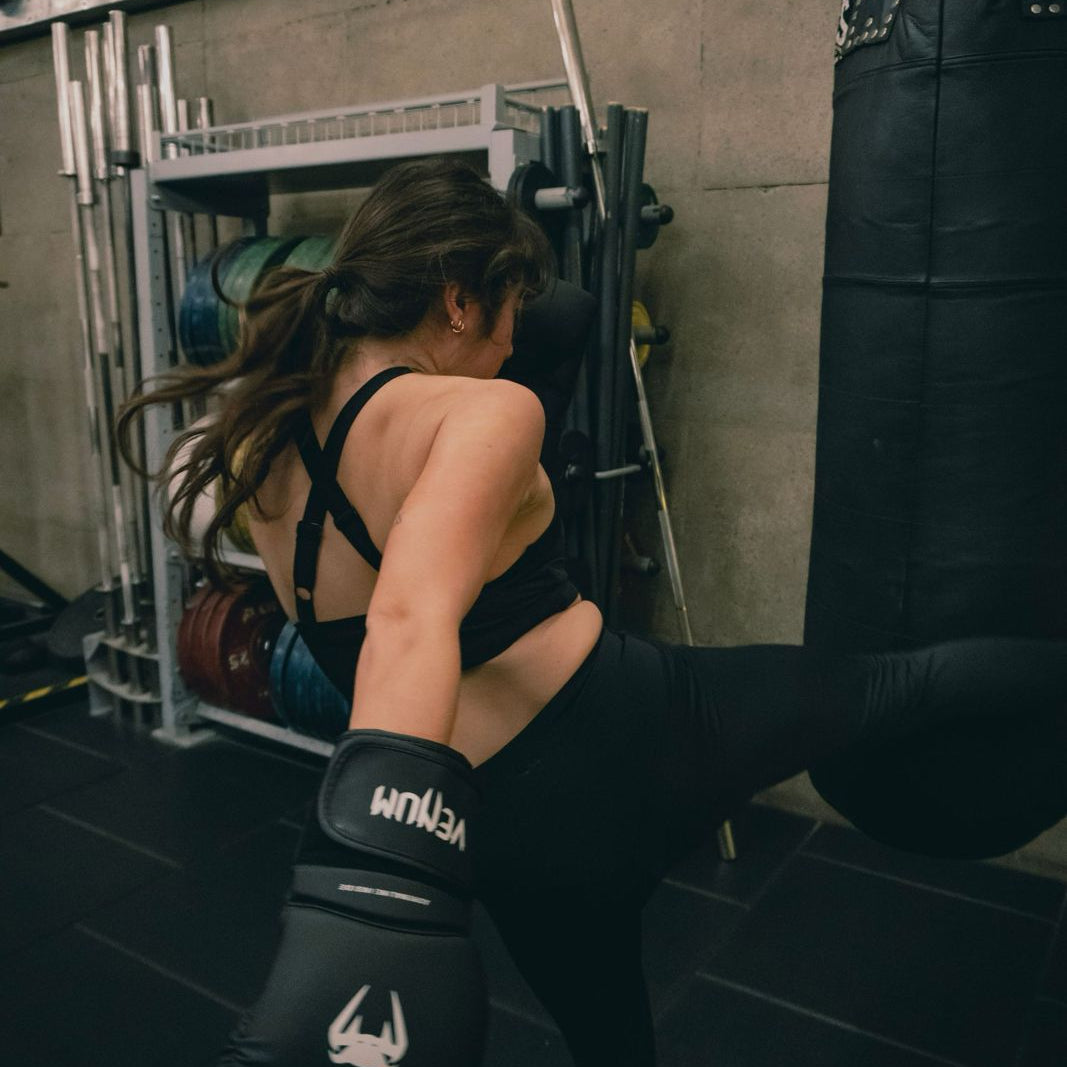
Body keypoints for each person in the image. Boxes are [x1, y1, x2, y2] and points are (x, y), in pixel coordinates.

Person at [117, 158, 1067, 1067]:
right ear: (457, 300)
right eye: (503, 310)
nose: (511, 340)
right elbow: (409, 619)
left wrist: (501, 260)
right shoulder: (481, 414)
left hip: (510, 838)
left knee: (610, 1043)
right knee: (895, 684)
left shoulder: (264, 435)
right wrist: (372, 884)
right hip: (641, 729)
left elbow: (558, 316)